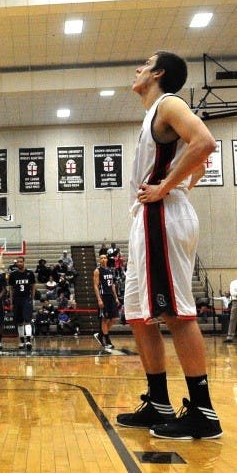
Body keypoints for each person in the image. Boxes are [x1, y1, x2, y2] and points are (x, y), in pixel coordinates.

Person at [115, 50, 221, 440]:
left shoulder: (169, 103)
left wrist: (165, 187)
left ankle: (203, 412)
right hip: (147, 219)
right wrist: (177, 180)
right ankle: (158, 400)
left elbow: (205, 144)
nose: (137, 67)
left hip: (162, 215)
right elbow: (198, 162)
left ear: (158, 73)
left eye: (144, 63)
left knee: (177, 314)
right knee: (139, 315)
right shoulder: (153, 115)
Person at [7, 257, 36, 351]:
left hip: (26, 299)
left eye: (21, 262)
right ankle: (22, 341)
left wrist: (32, 298)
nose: (19, 263)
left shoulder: (30, 273)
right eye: (18, 262)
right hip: (17, 300)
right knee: (19, 322)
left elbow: (33, 286)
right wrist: (11, 302)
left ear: (24, 262)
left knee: (27, 320)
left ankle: (28, 341)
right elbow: (11, 289)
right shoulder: (13, 274)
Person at [92, 254, 119, 350]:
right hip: (103, 296)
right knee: (104, 319)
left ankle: (100, 335)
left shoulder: (110, 270)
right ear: (99, 260)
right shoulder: (97, 271)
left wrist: (116, 297)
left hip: (111, 296)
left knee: (115, 318)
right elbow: (95, 285)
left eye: (105, 258)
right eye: (101, 258)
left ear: (107, 259)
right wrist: (99, 299)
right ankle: (107, 340)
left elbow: (112, 285)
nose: (103, 259)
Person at [225, 278, 237, 343]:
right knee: (232, 319)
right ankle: (230, 336)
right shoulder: (233, 282)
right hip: (235, 302)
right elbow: (233, 293)